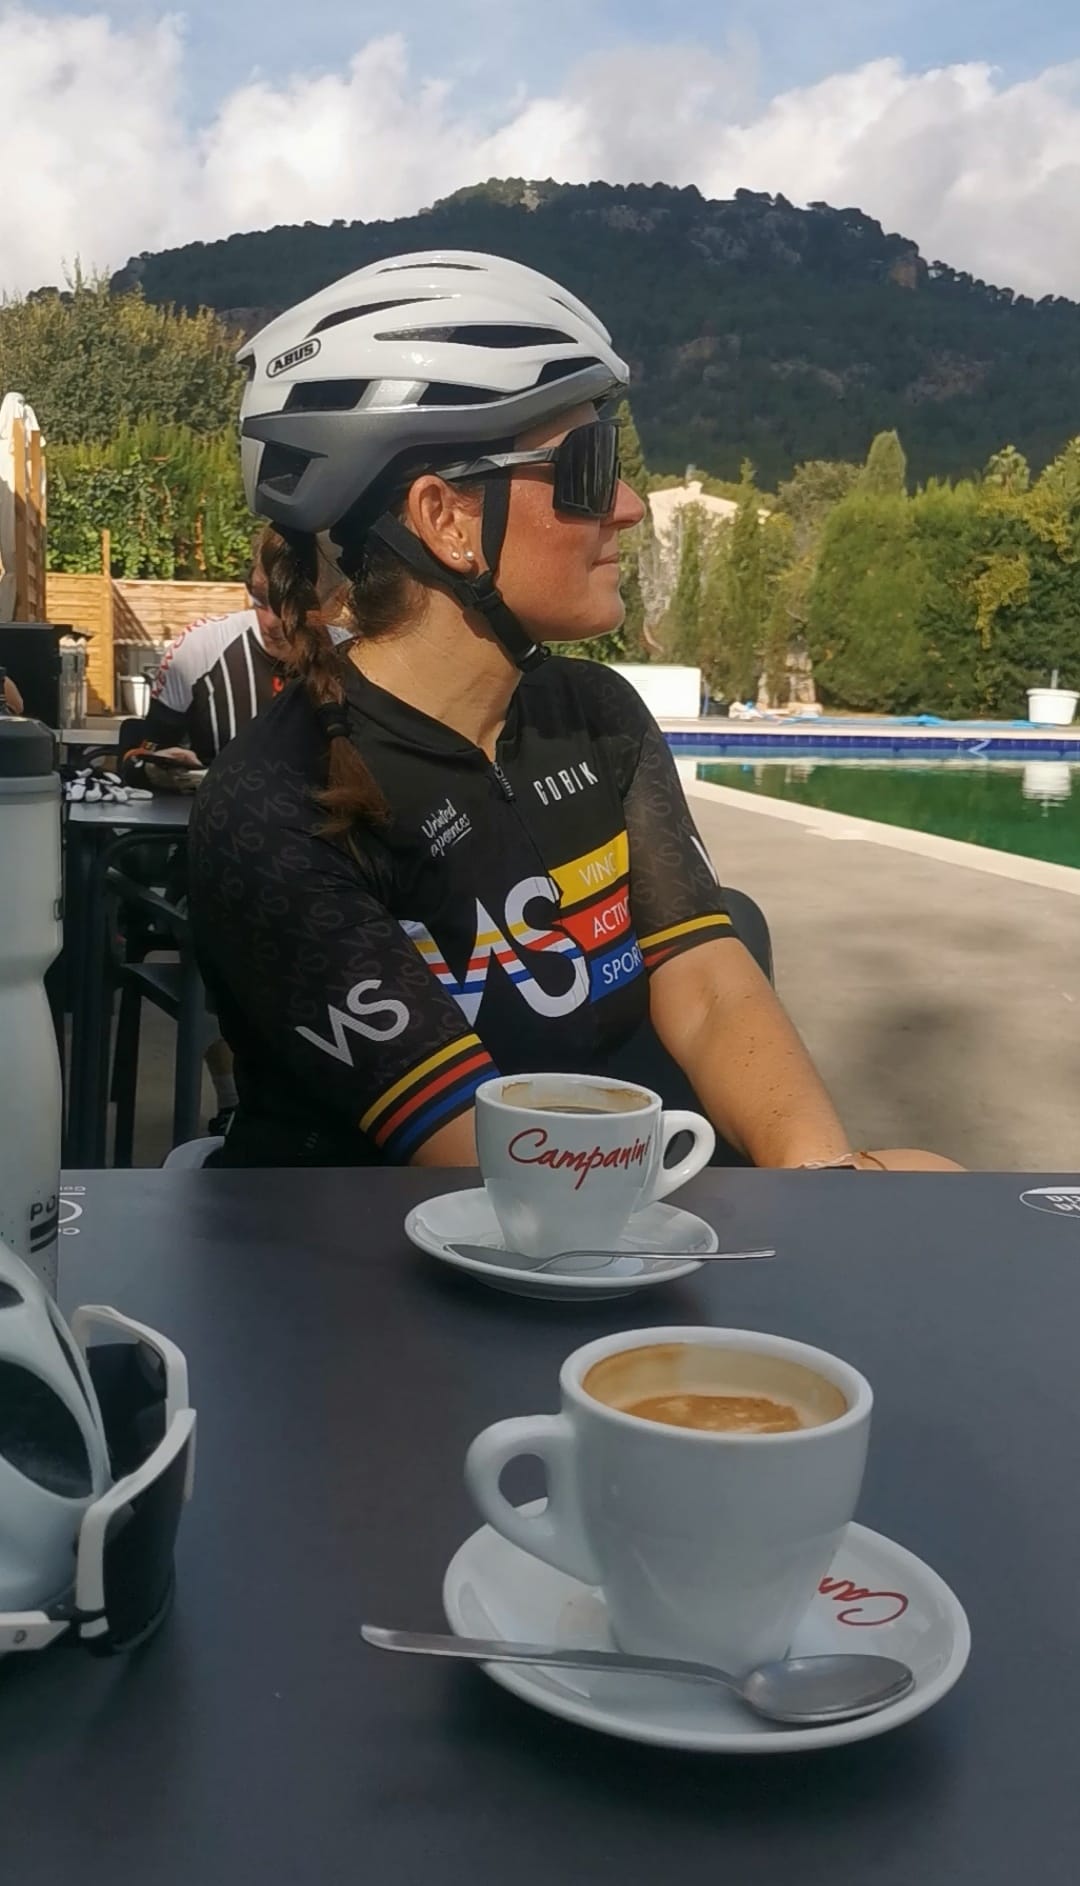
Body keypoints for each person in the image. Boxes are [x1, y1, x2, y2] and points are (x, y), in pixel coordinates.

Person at [188, 249, 960, 1174]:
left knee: (929, 1182)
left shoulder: (596, 714)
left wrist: (820, 1179)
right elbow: (485, 1160)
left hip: (633, 1193)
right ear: (447, 519)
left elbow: (709, 985)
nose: (627, 507)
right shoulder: (276, 802)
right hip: (436, 1242)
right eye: (589, 468)